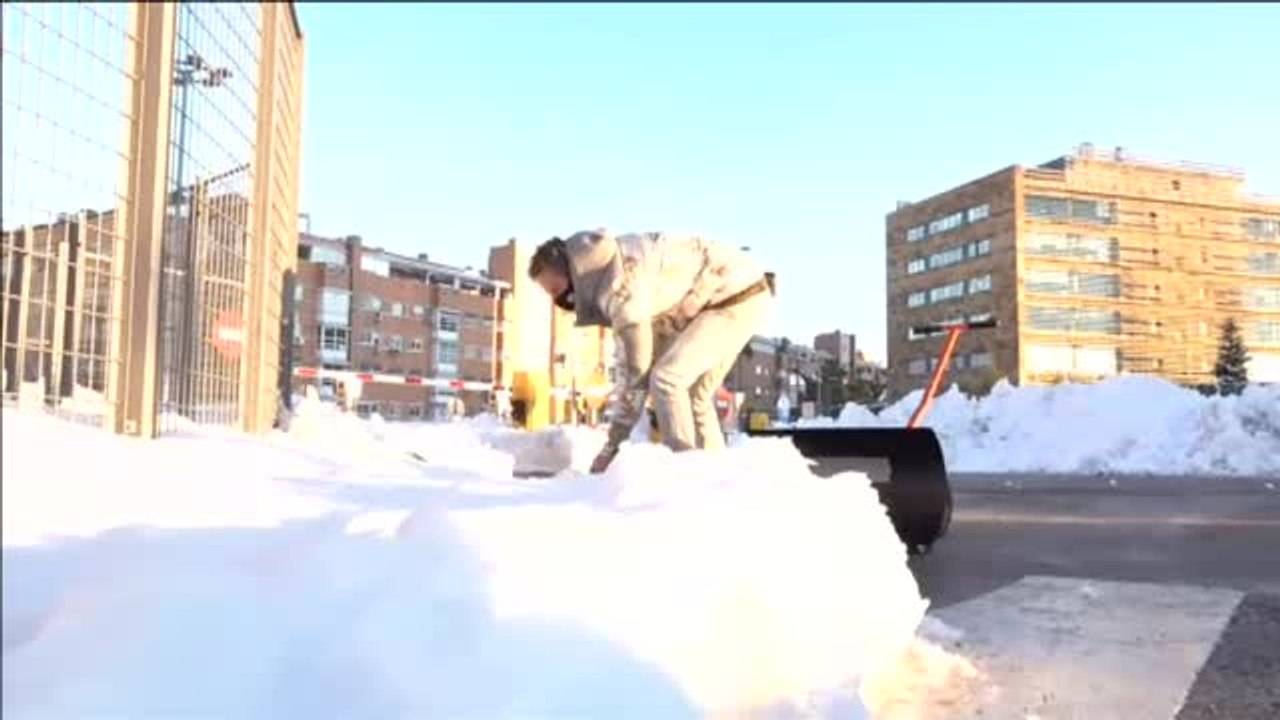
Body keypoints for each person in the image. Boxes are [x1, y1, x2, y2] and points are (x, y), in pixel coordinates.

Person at [528, 228, 774, 472]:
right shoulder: (606, 264)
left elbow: (636, 373)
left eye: (555, 290)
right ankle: (718, 478)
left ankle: (687, 474)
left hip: (735, 297)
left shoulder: (620, 290)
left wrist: (612, 447)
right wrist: (613, 444)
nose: (557, 301)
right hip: (735, 288)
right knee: (695, 393)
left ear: (572, 273)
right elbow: (632, 364)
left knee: (668, 379)